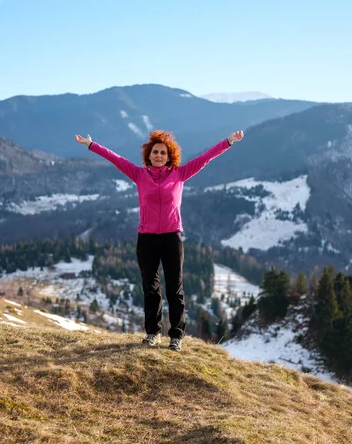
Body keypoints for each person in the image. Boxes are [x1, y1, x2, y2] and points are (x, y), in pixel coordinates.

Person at [74, 129, 244, 351]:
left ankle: (176, 336)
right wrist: (91, 145)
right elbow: (115, 159)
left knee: (175, 288)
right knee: (151, 289)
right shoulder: (139, 174)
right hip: (146, 239)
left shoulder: (180, 174)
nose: (159, 156)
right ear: (149, 155)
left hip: (172, 238)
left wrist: (229, 141)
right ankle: (152, 333)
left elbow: (205, 158)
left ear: (169, 155)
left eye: (163, 152)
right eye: (155, 152)